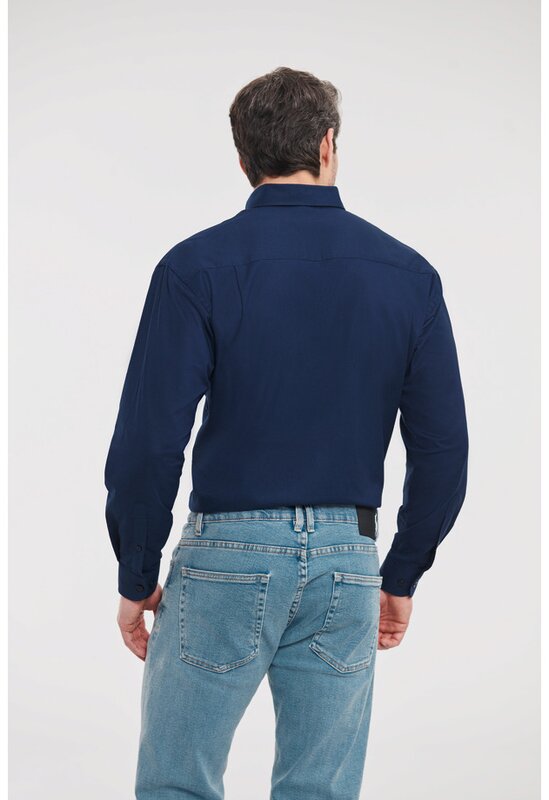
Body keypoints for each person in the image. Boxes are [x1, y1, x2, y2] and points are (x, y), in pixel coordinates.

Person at [104, 66, 468, 800]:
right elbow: (443, 450)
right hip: (347, 559)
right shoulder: (408, 276)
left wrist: (136, 573)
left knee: (176, 785)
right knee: (320, 792)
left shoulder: (194, 268)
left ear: (243, 157)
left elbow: (148, 443)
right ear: (328, 145)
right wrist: (400, 573)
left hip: (225, 558)